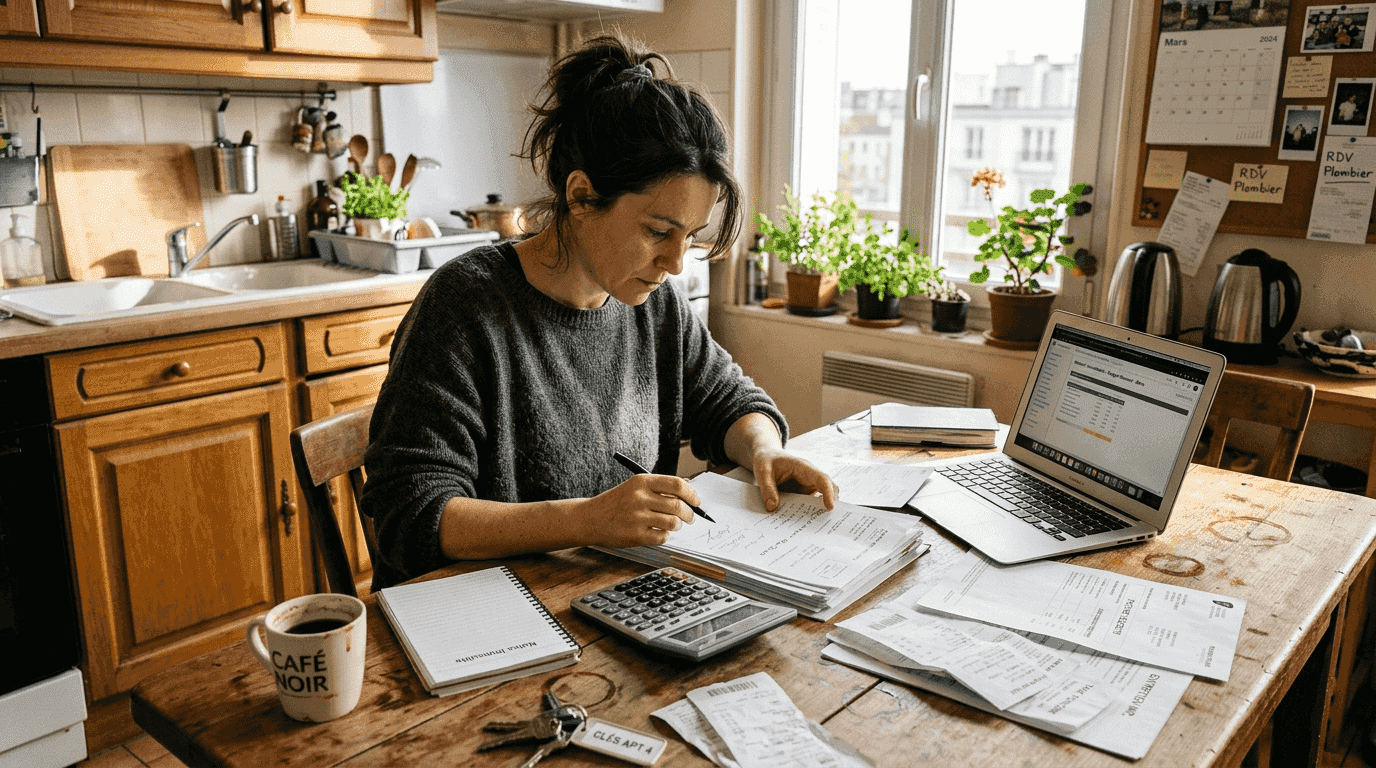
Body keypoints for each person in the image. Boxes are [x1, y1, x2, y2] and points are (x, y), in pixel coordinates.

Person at [360, 34, 838, 589]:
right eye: (658, 231)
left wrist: (764, 450)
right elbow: (410, 515)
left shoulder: (654, 306)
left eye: (690, 235)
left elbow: (730, 401)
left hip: (596, 597)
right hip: (474, 620)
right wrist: (588, 519)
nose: (676, 261)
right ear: (582, 197)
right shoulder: (466, 307)